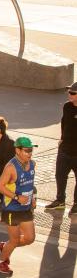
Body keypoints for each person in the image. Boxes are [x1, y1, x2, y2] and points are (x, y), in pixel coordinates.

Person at [0, 136, 37, 275]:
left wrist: (33, 197)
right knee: (14, 240)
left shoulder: (32, 164)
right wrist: (17, 197)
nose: (30, 153)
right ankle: (0, 262)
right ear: (17, 150)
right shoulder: (11, 168)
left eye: (31, 150)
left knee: (30, 238)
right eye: (26, 150)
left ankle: (5, 246)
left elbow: (31, 183)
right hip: (12, 209)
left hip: (25, 208)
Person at [45, 82, 77, 216]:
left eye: (73, 93)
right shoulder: (67, 106)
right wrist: (61, 139)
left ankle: (76, 204)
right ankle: (60, 200)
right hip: (64, 150)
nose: (69, 94)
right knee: (60, 176)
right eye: (69, 92)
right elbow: (64, 123)